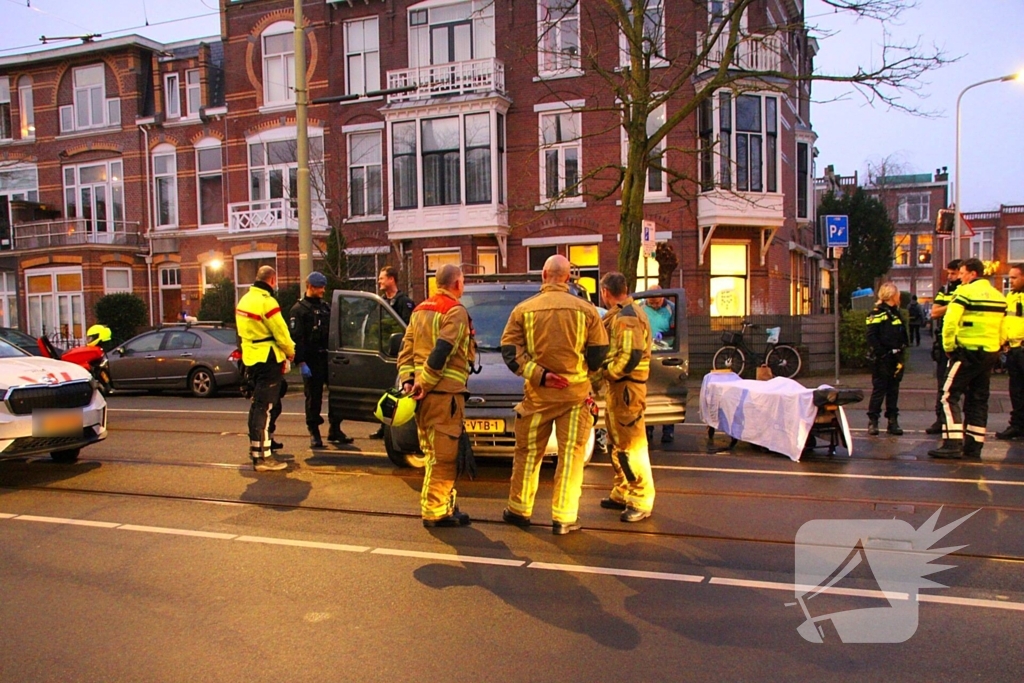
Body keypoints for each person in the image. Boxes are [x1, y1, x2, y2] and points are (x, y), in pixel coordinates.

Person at [500, 254, 609, 535]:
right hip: (575, 397)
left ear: (544, 275)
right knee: (570, 456)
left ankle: (519, 510)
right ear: (568, 278)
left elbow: (510, 354)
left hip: (537, 397)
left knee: (527, 453)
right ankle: (564, 518)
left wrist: (541, 375)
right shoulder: (586, 311)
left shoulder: (523, 310)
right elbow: (598, 354)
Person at [396, 263, 475, 528]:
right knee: (445, 457)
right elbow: (442, 350)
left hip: (424, 399)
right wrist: (425, 383)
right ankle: (435, 510)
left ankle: (445, 503)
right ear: (457, 284)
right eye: (462, 281)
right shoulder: (456, 311)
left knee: (432, 453)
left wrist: (409, 380)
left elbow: (406, 350)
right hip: (444, 396)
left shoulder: (419, 310)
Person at [928, 258, 1006, 460]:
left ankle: (952, 443)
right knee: (978, 398)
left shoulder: (964, 292)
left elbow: (950, 322)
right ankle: (974, 445)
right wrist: (998, 346)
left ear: (972, 274)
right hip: (989, 353)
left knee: (948, 395)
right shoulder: (999, 296)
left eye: (962, 273)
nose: (960, 277)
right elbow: (1003, 325)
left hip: (966, 352)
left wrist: (949, 347)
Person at [593, 272, 655, 522]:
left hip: (626, 389)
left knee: (631, 446)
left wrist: (604, 374)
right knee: (616, 442)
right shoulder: (624, 313)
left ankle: (640, 498)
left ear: (605, 292)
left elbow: (629, 358)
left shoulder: (627, 318)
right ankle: (623, 490)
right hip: (622, 390)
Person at [236, 266, 295, 472]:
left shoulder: (244, 300)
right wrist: (290, 351)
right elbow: (281, 331)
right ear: (272, 280)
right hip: (268, 357)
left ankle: (256, 451)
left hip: (251, 358)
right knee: (266, 407)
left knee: (257, 406)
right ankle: (263, 457)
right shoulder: (267, 302)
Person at [290, 271, 350, 448]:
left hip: (328, 358)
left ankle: (335, 429)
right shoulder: (298, 310)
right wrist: (301, 362)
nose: (323, 290)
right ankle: (314, 432)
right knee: (313, 397)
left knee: (336, 395)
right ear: (310, 287)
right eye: (319, 287)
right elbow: (297, 338)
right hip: (311, 359)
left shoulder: (325, 307)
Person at [371, 265, 417, 439]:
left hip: (400, 356)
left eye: (382, 278)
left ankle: (395, 430)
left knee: (399, 393)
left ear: (391, 279)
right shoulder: (381, 303)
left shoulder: (404, 302)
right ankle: (384, 426)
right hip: (383, 353)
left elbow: (408, 330)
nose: (379, 281)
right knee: (385, 392)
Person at [865, 282, 909, 436]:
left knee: (893, 390)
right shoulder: (877, 313)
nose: (899, 297)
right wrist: (882, 353)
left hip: (896, 358)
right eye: (897, 294)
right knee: (879, 390)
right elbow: (871, 336)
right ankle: (873, 421)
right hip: (883, 359)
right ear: (891, 295)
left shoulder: (896, 313)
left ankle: (892, 421)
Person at [925, 260, 963, 435]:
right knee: (942, 385)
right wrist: (954, 306)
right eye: (949, 273)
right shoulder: (944, 291)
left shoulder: (966, 291)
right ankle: (940, 420)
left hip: (963, 343)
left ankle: (963, 423)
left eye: (953, 273)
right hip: (944, 344)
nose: (950, 277)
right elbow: (934, 312)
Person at [641, 287, 675, 444]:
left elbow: (677, 331)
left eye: (657, 302)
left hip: (666, 353)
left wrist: (666, 336)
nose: (654, 305)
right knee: (647, 395)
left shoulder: (671, 308)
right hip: (646, 355)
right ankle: (648, 428)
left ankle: (668, 430)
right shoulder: (640, 307)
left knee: (667, 393)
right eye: (651, 302)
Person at [997, 264, 1024, 440]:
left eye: (1014, 277)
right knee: (1016, 390)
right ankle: (1017, 425)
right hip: (1014, 349)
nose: (1010, 280)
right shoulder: (1011, 297)